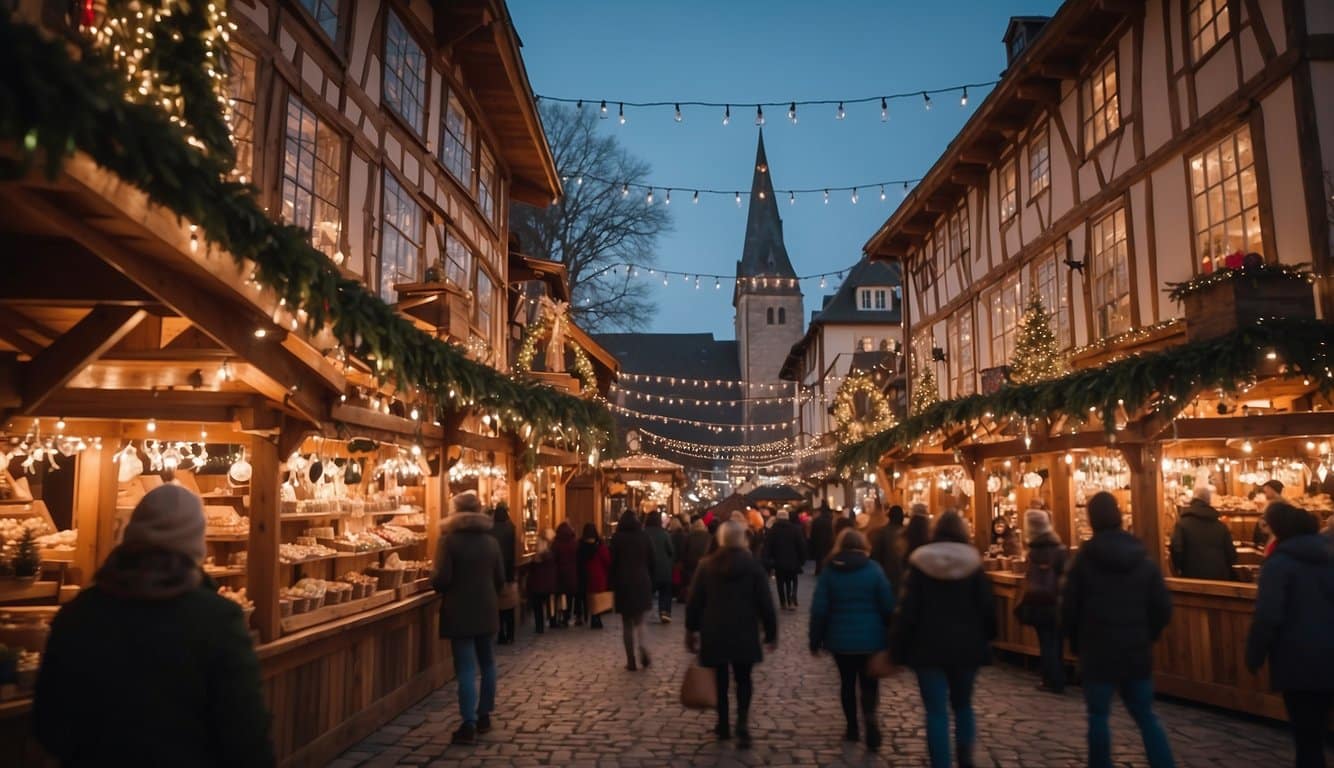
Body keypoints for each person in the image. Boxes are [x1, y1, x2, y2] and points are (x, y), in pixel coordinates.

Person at [34, 485, 275, 766]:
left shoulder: (78, 614)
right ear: (196, 543)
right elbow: (246, 732)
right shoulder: (218, 620)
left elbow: (48, 726)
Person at [1063, 491, 1175, 768]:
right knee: (1146, 716)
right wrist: (1148, 635)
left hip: (1097, 649)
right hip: (1135, 649)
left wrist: (1076, 643)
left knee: (1098, 717)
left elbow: (1069, 608)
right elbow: (1162, 605)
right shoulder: (1142, 558)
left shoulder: (1084, 560)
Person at [890, 510, 996, 768]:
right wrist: (989, 637)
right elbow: (987, 608)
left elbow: (908, 610)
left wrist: (897, 648)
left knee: (936, 712)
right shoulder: (973, 563)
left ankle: (941, 762)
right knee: (963, 705)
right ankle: (965, 756)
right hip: (966, 648)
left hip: (928, 648)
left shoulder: (920, 563)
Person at [1246, 502, 1334, 768]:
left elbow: (1268, 615)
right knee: (1318, 729)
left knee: (1307, 739)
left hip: (1298, 659)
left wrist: (1254, 653)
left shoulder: (1280, 563)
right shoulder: (1328, 557)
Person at [686, 521, 778, 750]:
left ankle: (724, 723)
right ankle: (743, 722)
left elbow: (694, 601)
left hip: (715, 631)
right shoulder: (754, 567)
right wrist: (771, 631)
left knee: (720, 680)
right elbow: (766, 603)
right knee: (744, 679)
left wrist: (691, 629)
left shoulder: (706, 566)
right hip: (745, 631)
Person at [424, 492, 506, 744]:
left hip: (459, 611)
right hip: (487, 609)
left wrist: (433, 578)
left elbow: (443, 579)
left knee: (467, 669)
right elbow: (500, 579)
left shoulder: (449, 542)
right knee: (488, 663)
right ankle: (484, 715)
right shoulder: (491, 542)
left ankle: (468, 722)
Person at [809, 529, 896, 752]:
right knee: (869, 683)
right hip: (871, 639)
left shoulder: (830, 571)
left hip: (841, 640)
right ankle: (869, 716)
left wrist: (815, 639)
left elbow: (820, 609)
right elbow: (887, 604)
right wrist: (890, 632)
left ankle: (852, 728)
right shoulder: (874, 569)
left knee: (847, 683)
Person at [1016, 507, 1066, 693]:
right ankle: (1058, 677)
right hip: (1056, 600)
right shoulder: (1059, 549)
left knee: (1046, 641)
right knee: (1056, 640)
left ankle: (1050, 679)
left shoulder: (1033, 550)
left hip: (1038, 600)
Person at [610, 510, 655, 670]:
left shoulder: (617, 538)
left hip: (623, 583)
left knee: (627, 624)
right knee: (640, 620)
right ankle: (643, 646)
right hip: (642, 581)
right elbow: (652, 559)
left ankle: (631, 660)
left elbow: (612, 563)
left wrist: (612, 582)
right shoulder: (644, 537)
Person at [1170, 486, 1237, 580]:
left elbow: (1177, 550)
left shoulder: (1182, 524)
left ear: (1192, 500)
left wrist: (1180, 569)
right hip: (1219, 579)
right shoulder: (1221, 526)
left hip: (1191, 578)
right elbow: (1232, 556)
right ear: (1209, 502)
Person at [763, 508, 807, 611]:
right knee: (792, 580)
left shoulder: (773, 530)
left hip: (778, 562)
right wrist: (802, 560)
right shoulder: (795, 529)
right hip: (793, 560)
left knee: (780, 582)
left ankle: (783, 602)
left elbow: (767, 547)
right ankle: (791, 599)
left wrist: (767, 561)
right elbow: (801, 546)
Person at [489, 502, 517, 645]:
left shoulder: (491, 529)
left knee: (498, 607)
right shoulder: (511, 527)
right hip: (508, 572)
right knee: (509, 607)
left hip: (494, 573)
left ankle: (500, 634)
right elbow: (514, 552)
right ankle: (511, 634)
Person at [577, 523, 612, 629]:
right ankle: (596, 617)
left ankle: (590, 616)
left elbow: (578, 561)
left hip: (585, 575)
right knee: (598, 597)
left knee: (589, 597)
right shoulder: (600, 546)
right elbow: (607, 561)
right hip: (598, 575)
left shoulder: (580, 545)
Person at [644, 511, 676, 623]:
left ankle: (642, 610)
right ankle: (665, 611)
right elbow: (671, 551)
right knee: (665, 591)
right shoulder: (664, 533)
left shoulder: (643, 533)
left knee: (648, 590)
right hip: (664, 569)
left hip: (648, 569)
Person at [527, 530, 558, 635]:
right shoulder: (550, 556)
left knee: (537, 606)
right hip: (547, 584)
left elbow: (531, 570)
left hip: (537, 585)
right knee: (548, 603)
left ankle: (539, 626)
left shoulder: (536, 558)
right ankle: (551, 620)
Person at [869, 505, 906, 589]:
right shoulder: (908, 533)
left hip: (885, 576)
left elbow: (875, 556)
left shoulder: (881, 532)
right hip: (903, 579)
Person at [552, 521, 580, 628]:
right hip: (572, 573)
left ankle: (557, 617)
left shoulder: (556, 543)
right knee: (569, 596)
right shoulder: (574, 542)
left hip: (559, 573)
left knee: (558, 596)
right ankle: (567, 617)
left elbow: (553, 557)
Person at [681, 518, 711, 596]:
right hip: (704, 562)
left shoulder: (689, 537)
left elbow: (684, 551)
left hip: (691, 563)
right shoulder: (708, 536)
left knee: (692, 581)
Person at [1253, 480, 1283, 550]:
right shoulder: (1272, 503)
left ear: (1272, 490)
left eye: (1266, 491)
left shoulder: (1278, 504)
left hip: (1274, 542)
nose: (1264, 493)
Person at [811, 504, 835, 574]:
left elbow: (813, 533)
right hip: (829, 541)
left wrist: (813, 541)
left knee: (819, 556)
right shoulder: (831, 520)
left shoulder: (816, 521)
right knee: (828, 555)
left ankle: (818, 569)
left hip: (818, 541)